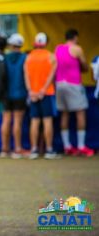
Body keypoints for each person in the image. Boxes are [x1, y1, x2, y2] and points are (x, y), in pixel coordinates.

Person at [55, 29, 94, 157]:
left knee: (64, 114)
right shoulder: (77, 49)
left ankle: (67, 146)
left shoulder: (58, 49)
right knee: (80, 113)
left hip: (60, 84)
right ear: (75, 37)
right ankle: (81, 146)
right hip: (73, 83)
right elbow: (84, 67)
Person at [24, 32, 58, 160]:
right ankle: (49, 150)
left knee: (34, 121)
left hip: (33, 94)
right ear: (46, 43)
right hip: (47, 93)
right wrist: (43, 90)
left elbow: (26, 75)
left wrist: (31, 91)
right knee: (47, 120)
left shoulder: (29, 57)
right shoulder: (51, 56)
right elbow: (51, 75)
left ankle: (34, 149)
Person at [1, 33, 29, 159]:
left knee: (6, 120)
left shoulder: (5, 58)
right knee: (17, 121)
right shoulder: (25, 57)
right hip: (20, 93)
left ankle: (4, 149)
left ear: (11, 45)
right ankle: (17, 148)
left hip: (6, 94)